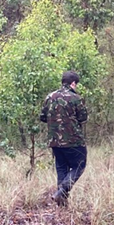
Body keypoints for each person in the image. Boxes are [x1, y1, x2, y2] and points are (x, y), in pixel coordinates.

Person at [39, 71, 89, 207]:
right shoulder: (75, 98)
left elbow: (42, 117)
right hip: (74, 140)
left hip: (54, 141)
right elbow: (83, 118)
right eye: (76, 84)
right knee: (79, 165)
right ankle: (62, 191)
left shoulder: (49, 97)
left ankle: (61, 203)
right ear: (73, 83)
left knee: (62, 168)